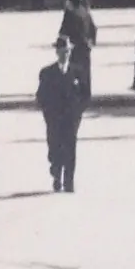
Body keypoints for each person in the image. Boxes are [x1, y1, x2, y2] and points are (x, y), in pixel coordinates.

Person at [35, 39, 85, 193]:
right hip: (54, 119)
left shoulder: (78, 71)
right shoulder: (47, 73)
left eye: (68, 51)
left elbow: (85, 94)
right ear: (57, 52)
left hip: (71, 118)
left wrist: (78, 112)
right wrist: (48, 113)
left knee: (70, 148)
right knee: (55, 148)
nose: (65, 54)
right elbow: (41, 96)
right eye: (62, 51)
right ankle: (56, 174)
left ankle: (69, 181)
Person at [57, 0, 98, 99]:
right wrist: (92, 41)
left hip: (76, 45)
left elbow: (64, 31)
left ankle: (76, 91)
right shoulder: (85, 12)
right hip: (86, 45)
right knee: (86, 69)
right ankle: (86, 92)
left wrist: (60, 43)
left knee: (74, 68)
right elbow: (94, 28)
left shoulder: (70, 14)